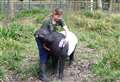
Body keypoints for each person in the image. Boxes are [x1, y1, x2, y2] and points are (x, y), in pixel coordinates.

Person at [34, 8, 69, 82]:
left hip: (50, 38)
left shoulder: (60, 20)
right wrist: (44, 46)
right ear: (54, 14)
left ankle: (50, 67)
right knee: (44, 54)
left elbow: (66, 29)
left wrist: (66, 37)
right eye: (58, 16)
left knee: (50, 52)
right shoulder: (47, 21)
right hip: (41, 38)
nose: (59, 18)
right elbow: (43, 36)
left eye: (60, 16)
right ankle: (42, 75)